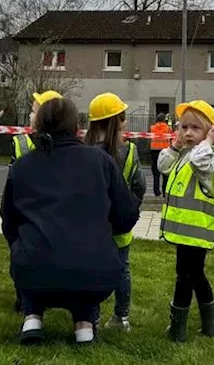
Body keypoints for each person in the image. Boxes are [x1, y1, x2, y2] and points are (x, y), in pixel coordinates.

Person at [2, 97, 139, 345]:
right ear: (76, 126)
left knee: (35, 254)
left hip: (33, 269)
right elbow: (127, 215)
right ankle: (84, 324)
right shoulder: (101, 162)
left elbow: (8, 221)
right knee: (80, 264)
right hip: (94, 272)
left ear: (38, 125)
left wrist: (21, 246)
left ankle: (32, 316)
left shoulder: (22, 166)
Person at [158, 100, 214, 343]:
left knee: (185, 277)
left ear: (210, 131)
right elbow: (162, 165)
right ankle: (210, 323)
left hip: (197, 232)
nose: (187, 133)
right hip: (186, 231)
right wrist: (175, 146)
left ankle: (178, 329)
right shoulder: (185, 153)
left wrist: (208, 142)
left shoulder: (209, 157)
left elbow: (200, 162)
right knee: (195, 275)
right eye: (183, 127)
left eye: (195, 128)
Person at [83, 92, 146, 331]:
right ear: (114, 121)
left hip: (91, 228)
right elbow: (140, 185)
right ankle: (121, 318)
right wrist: (130, 209)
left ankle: (92, 318)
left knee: (91, 272)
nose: (126, 122)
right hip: (120, 227)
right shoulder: (129, 151)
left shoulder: (83, 151)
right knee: (122, 271)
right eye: (123, 118)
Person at [8, 89, 63, 313]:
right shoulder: (20, 143)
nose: (30, 116)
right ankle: (24, 297)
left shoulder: (60, 145)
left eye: (33, 111)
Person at [11, 90, 62, 162]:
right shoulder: (71, 146)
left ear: (45, 116)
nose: (30, 115)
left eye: (33, 111)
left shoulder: (23, 143)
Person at [149, 113, 172, 197]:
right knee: (165, 172)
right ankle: (165, 191)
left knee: (155, 172)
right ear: (164, 120)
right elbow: (171, 137)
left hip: (154, 150)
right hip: (165, 150)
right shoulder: (168, 128)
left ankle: (156, 191)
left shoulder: (152, 128)